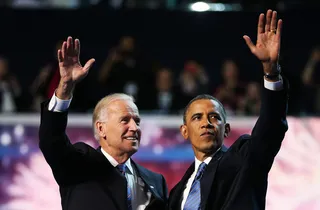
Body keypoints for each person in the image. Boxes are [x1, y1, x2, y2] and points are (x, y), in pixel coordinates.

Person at [168, 9, 288, 210]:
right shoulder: (177, 192)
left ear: (227, 129)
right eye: (197, 117)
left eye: (214, 117)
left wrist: (271, 73)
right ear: (184, 131)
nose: (206, 122)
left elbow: (270, 128)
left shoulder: (244, 160)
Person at [39, 36, 168, 210]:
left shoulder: (155, 181)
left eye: (137, 121)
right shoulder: (78, 165)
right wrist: (65, 87)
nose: (134, 127)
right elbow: (51, 140)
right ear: (101, 128)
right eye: (125, 120)